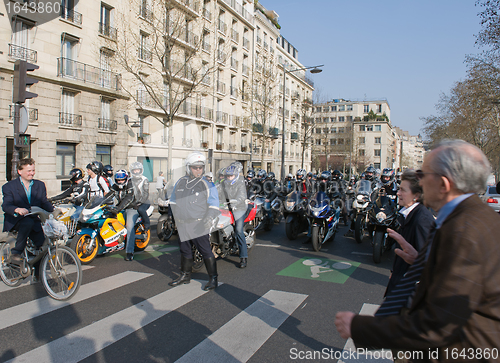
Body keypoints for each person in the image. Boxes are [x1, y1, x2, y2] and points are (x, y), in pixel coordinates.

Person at [335, 139, 500, 361]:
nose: (419, 182)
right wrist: (422, 259)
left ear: (443, 184)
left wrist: (360, 328)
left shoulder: (463, 231)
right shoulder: (470, 217)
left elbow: (438, 324)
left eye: (424, 174)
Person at [169, 152, 220, 291]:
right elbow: (173, 202)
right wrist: (173, 219)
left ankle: (213, 278)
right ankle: (185, 275)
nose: (198, 170)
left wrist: (208, 219)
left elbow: (214, 204)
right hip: (183, 223)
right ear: (188, 168)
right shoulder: (180, 182)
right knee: (185, 250)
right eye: (194, 167)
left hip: (198, 223)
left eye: (200, 167)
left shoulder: (206, 184)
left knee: (205, 251)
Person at [381, 169, 434, 300]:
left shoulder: (422, 220)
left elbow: (427, 263)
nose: (398, 193)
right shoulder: (409, 215)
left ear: (416, 195)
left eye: (403, 190)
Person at [2, 158, 54, 282]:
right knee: (27, 222)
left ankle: (38, 273)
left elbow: (43, 202)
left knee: (42, 245)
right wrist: (17, 209)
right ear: (20, 171)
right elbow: (6, 205)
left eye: (33, 170)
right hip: (16, 220)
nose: (32, 173)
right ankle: (16, 252)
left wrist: (54, 210)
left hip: (33, 219)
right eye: (29, 171)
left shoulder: (39, 185)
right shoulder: (9, 187)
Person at [220, 162, 248, 268]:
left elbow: (242, 195)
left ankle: (243, 257)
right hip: (226, 208)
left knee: (239, 231)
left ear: (235, 175)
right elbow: (216, 192)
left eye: (231, 175)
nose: (229, 177)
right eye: (227, 175)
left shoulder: (240, 184)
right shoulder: (223, 183)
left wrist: (236, 201)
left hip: (238, 209)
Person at [106, 170, 138, 261]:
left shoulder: (130, 184)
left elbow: (128, 198)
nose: (120, 182)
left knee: (129, 227)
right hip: (120, 207)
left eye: (122, 180)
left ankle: (129, 252)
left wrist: (118, 209)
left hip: (132, 207)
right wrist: (99, 204)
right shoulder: (115, 186)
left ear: (126, 179)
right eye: (118, 180)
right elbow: (109, 195)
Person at [129, 162, 151, 232]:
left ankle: (147, 223)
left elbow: (146, 194)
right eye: (134, 170)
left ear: (141, 170)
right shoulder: (129, 179)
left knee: (141, 210)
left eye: (137, 170)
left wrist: (139, 202)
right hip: (133, 201)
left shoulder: (145, 179)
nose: (136, 172)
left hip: (144, 201)